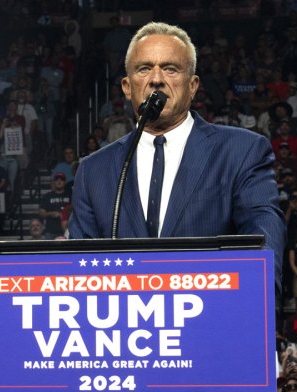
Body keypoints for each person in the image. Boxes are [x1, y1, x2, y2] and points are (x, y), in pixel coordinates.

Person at [67, 22, 285, 286]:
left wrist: (253, 309)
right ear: (127, 86)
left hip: (211, 320)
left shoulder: (242, 151)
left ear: (192, 86)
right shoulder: (93, 170)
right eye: (144, 68)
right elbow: (79, 273)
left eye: (170, 68)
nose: (156, 79)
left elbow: (263, 245)